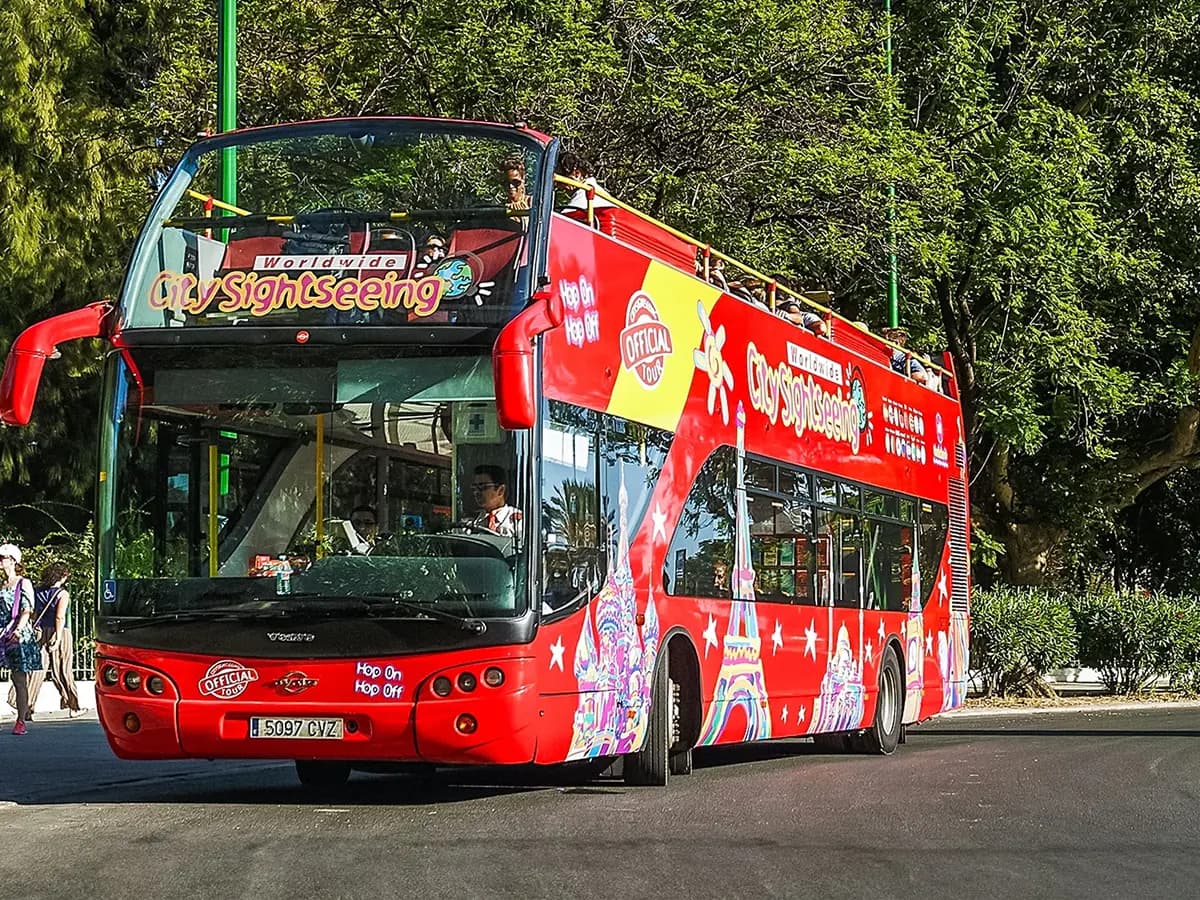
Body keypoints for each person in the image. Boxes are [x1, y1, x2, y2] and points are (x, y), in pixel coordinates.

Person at [14, 561, 82, 717]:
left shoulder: (37, 591)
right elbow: (60, 617)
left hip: (39, 631)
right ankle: (72, 706)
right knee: (63, 670)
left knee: (36, 671)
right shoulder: (62, 593)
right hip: (59, 632)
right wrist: (57, 638)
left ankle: (26, 708)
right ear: (63, 576)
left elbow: (32, 612)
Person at [0, 543, 41, 734]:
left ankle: (21, 720)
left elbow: (27, 610)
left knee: (19, 678)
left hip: (17, 633)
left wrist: (17, 630)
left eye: (3, 557)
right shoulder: (2, 584)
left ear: (13, 561)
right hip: (2, 632)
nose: (1, 560)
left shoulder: (22, 582)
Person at [468, 465, 522, 540]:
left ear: (501, 490)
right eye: (474, 488)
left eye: (483, 487)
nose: (476, 492)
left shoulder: (518, 521)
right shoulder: (472, 522)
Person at [557, 151, 614, 218]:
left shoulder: (586, 193)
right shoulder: (602, 194)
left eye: (561, 179)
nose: (558, 186)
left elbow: (563, 220)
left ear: (576, 174)